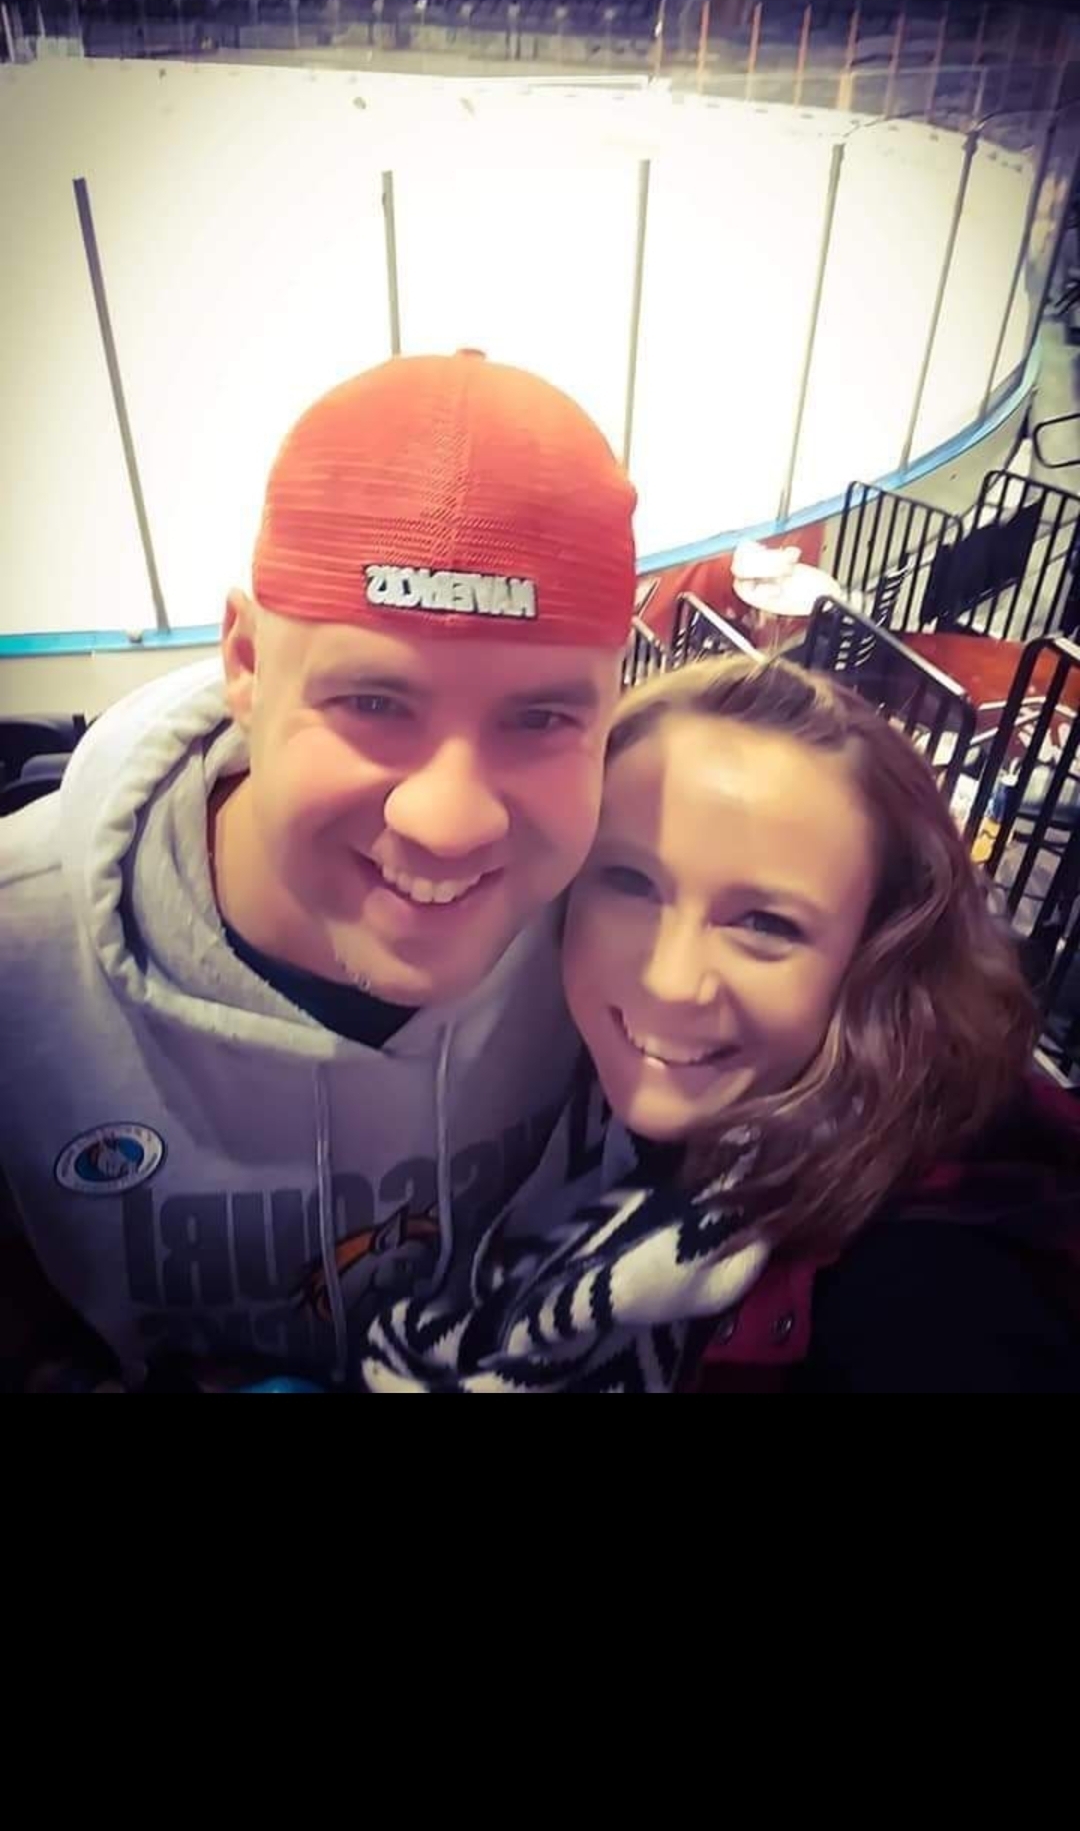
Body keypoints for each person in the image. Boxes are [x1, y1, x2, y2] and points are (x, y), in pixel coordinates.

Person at [0, 349, 637, 1391]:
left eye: (541, 719)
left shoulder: (639, 927)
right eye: (374, 703)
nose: (449, 822)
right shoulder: (17, 962)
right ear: (246, 664)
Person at [358, 652, 1080, 1392]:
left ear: (880, 952)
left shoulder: (931, 1291)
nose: (671, 982)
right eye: (632, 882)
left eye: (765, 923)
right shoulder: (565, 1089)